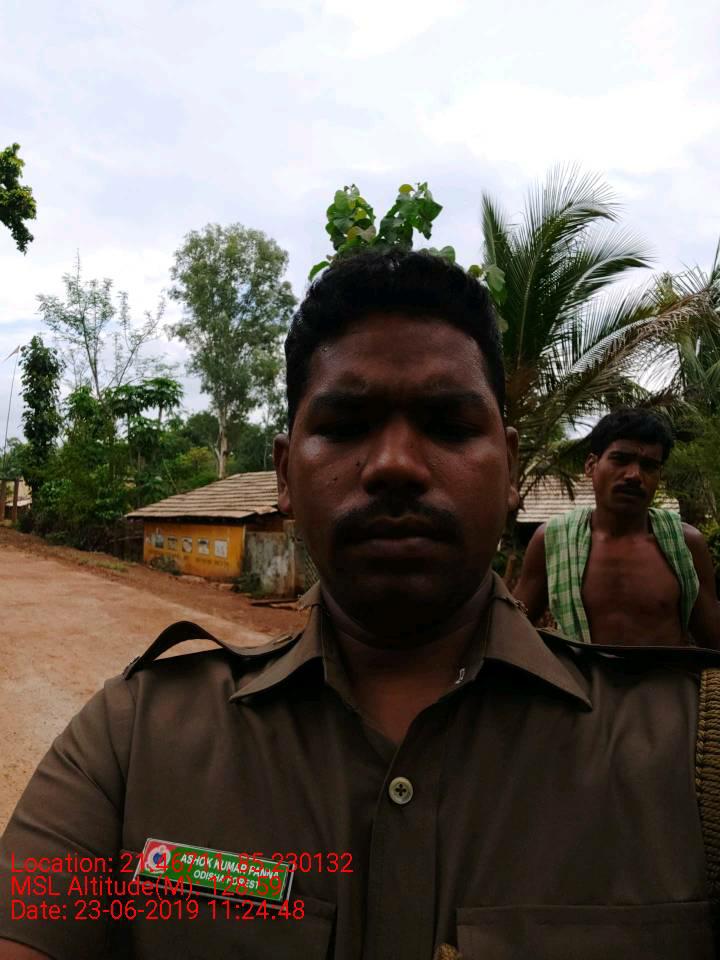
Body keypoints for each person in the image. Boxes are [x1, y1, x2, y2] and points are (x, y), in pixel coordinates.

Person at [1, 250, 720, 960]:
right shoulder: (133, 741)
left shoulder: (696, 755)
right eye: (345, 426)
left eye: (448, 425)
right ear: (285, 474)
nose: (395, 465)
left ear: (509, 467)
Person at [514, 409, 720, 648]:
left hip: (666, 672)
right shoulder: (553, 540)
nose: (634, 475)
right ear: (591, 465)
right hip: (576, 673)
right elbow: (515, 628)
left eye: (649, 466)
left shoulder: (684, 544)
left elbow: (713, 638)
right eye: (620, 459)